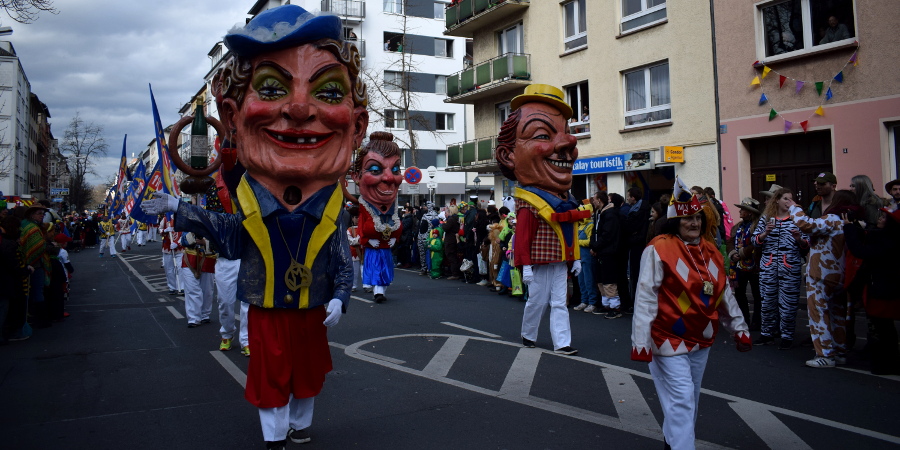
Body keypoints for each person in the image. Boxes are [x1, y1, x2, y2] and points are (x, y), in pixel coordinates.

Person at [143, 6, 364, 448]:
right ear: (232, 117)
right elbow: (226, 232)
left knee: (307, 373)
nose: (300, 108)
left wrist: (341, 296)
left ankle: (300, 427)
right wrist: (179, 208)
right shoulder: (248, 206)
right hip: (265, 310)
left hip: (311, 309)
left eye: (328, 92)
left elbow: (339, 257)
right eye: (271, 87)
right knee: (269, 373)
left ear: (356, 126)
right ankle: (274, 434)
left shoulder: (332, 210)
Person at [631, 177, 751, 450]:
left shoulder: (711, 250)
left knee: (688, 400)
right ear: (675, 221)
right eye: (687, 219)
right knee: (683, 398)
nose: (694, 223)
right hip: (666, 337)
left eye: (697, 218)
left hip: (701, 338)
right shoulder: (658, 248)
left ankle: (672, 441)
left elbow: (723, 293)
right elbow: (646, 296)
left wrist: (739, 327)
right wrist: (640, 341)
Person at [494, 84, 588, 356]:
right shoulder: (529, 204)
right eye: (543, 134)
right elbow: (522, 236)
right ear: (508, 155)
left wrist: (576, 257)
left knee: (560, 301)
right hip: (537, 259)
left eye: (567, 133)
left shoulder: (567, 200)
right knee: (537, 300)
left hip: (559, 258)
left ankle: (563, 342)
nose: (569, 142)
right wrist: (524, 265)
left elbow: (569, 229)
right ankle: (528, 334)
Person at [789, 190, 857, 368]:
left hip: (821, 273)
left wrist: (795, 208)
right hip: (840, 274)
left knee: (818, 313)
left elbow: (806, 224)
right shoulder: (850, 221)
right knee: (837, 314)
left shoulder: (833, 219)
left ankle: (825, 354)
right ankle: (840, 351)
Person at [843, 208, 900, 374]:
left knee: (882, 328)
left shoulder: (889, 242)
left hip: (883, 289)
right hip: (882, 287)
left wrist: (849, 229)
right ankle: (887, 361)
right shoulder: (886, 238)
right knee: (884, 328)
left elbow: (861, 251)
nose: (880, 219)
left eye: (883, 218)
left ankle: (885, 363)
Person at [752, 188, 809, 349]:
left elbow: (807, 245)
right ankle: (767, 334)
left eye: (791, 199)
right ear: (777, 200)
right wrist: (765, 234)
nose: (788, 202)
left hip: (789, 269)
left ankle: (787, 337)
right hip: (768, 268)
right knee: (767, 302)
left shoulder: (798, 219)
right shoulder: (766, 219)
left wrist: (799, 240)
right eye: (785, 198)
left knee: (788, 305)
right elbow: (754, 241)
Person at [353, 132, 403, 304]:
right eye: (375, 169)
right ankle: (377, 291)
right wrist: (366, 240)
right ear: (357, 177)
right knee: (374, 268)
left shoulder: (394, 209)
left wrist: (394, 239)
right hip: (373, 248)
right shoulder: (364, 208)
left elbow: (397, 227)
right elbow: (361, 228)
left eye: (395, 169)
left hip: (385, 248)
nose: (389, 178)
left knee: (385, 269)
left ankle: (380, 290)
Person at [728, 197, 763, 330]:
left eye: (743, 209)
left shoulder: (758, 226)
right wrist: (732, 253)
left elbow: (757, 245)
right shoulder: (737, 227)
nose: (740, 211)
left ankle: (757, 322)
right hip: (738, 266)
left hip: (754, 266)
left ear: (750, 212)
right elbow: (730, 241)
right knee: (739, 293)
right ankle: (744, 320)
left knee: (757, 295)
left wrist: (743, 253)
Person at [590, 191, 622, 318]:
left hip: (608, 252)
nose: (593, 202)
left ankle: (615, 307)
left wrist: (596, 246)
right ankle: (606, 305)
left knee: (609, 280)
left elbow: (607, 235)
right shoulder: (599, 214)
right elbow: (595, 232)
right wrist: (593, 246)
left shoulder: (610, 215)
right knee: (600, 280)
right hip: (600, 252)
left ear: (599, 200)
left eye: (594, 199)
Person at [181, 232, 216, 328]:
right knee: (192, 290)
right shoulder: (188, 221)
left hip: (208, 259)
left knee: (207, 290)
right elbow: (183, 240)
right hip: (190, 259)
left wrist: (205, 242)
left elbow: (219, 242)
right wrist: (192, 236)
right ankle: (194, 318)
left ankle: (205, 314)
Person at [625, 186, 651, 313]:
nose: (627, 198)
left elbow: (632, 228)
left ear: (633, 198)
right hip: (638, 244)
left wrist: (631, 238)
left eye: (629, 196)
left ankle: (636, 301)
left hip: (637, 245)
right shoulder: (642, 209)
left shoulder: (637, 212)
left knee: (636, 274)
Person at [572, 202, 596, 312]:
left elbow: (590, 241)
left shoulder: (590, 225)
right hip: (579, 258)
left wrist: (577, 242)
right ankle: (584, 300)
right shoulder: (579, 225)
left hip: (587, 257)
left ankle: (592, 302)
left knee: (589, 280)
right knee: (581, 281)